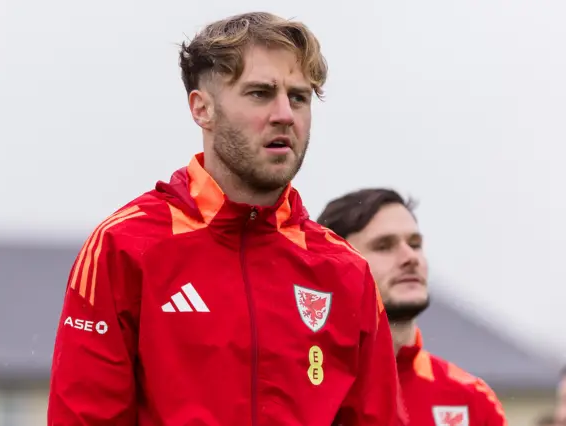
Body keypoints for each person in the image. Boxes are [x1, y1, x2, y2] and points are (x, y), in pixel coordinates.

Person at [47, 12, 405, 426]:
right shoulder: (125, 245)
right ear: (202, 109)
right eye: (260, 93)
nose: (285, 114)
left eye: (299, 97)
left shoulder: (346, 272)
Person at [317, 188, 508, 426]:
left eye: (415, 244)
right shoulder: (306, 389)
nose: (410, 257)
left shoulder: (471, 399)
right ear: (335, 267)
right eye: (384, 246)